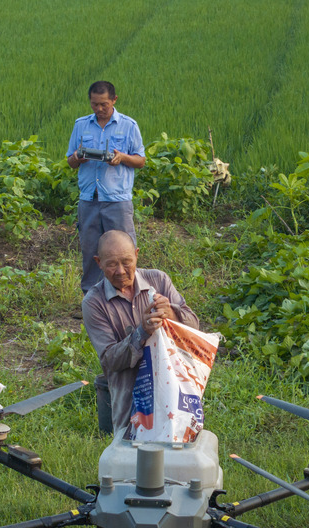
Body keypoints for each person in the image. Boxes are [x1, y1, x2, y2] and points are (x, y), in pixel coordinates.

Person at [82, 230, 199, 434]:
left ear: (136, 254)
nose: (120, 271)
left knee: (180, 459)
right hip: (130, 409)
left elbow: (195, 327)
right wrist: (141, 332)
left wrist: (171, 312)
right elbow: (110, 360)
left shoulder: (158, 280)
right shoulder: (94, 302)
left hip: (175, 398)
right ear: (98, 262)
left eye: (127, 261)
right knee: (133, 462)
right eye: (111, 264)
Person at [67, 80, 146, 293]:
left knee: (123, 251)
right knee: (91, 251)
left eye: (104, 104)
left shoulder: (129, 125)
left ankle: (129, 297)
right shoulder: (81, 124)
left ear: (114, 100)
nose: (99, 109)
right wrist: (77, 157)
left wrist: (122, 158)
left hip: (117, 200)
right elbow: (70, 161)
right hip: (89, 198)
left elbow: (140, 160)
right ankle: (91, 302)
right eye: (94, 104)